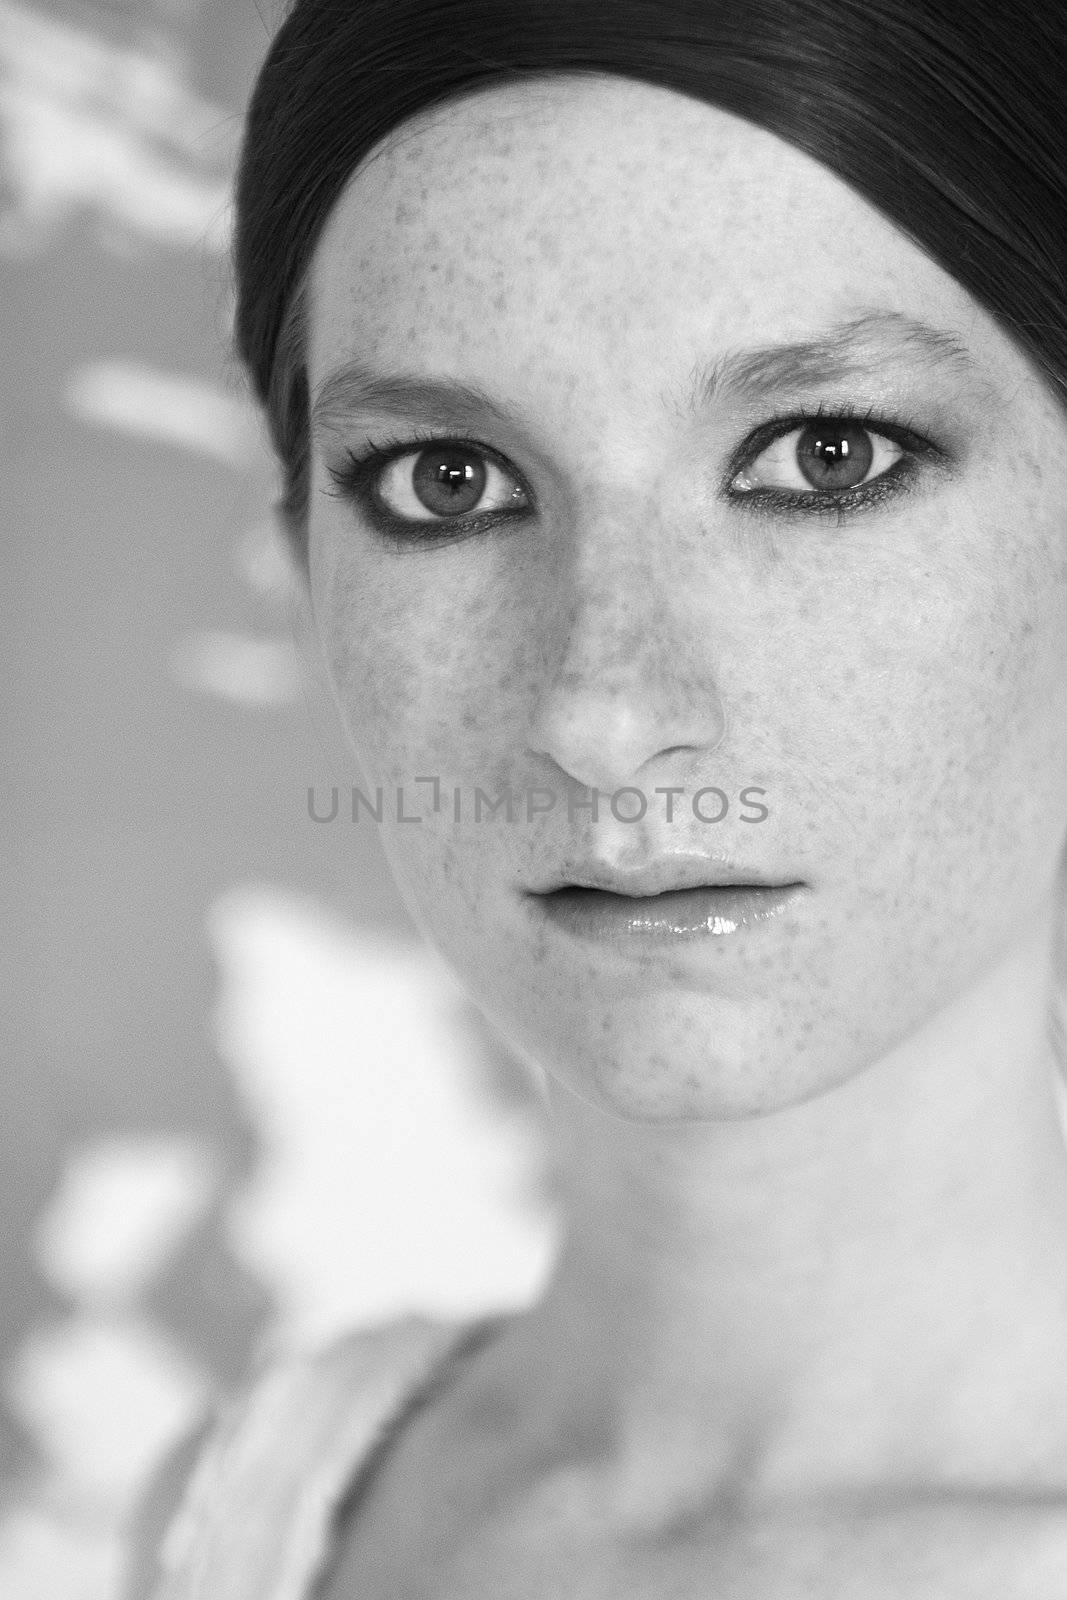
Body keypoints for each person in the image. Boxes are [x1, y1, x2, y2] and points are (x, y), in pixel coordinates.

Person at [128, 0, 1067, 1594]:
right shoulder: (249, 1510)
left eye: (826, 455)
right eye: (449, 481)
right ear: (304, 560)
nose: (607, 713)